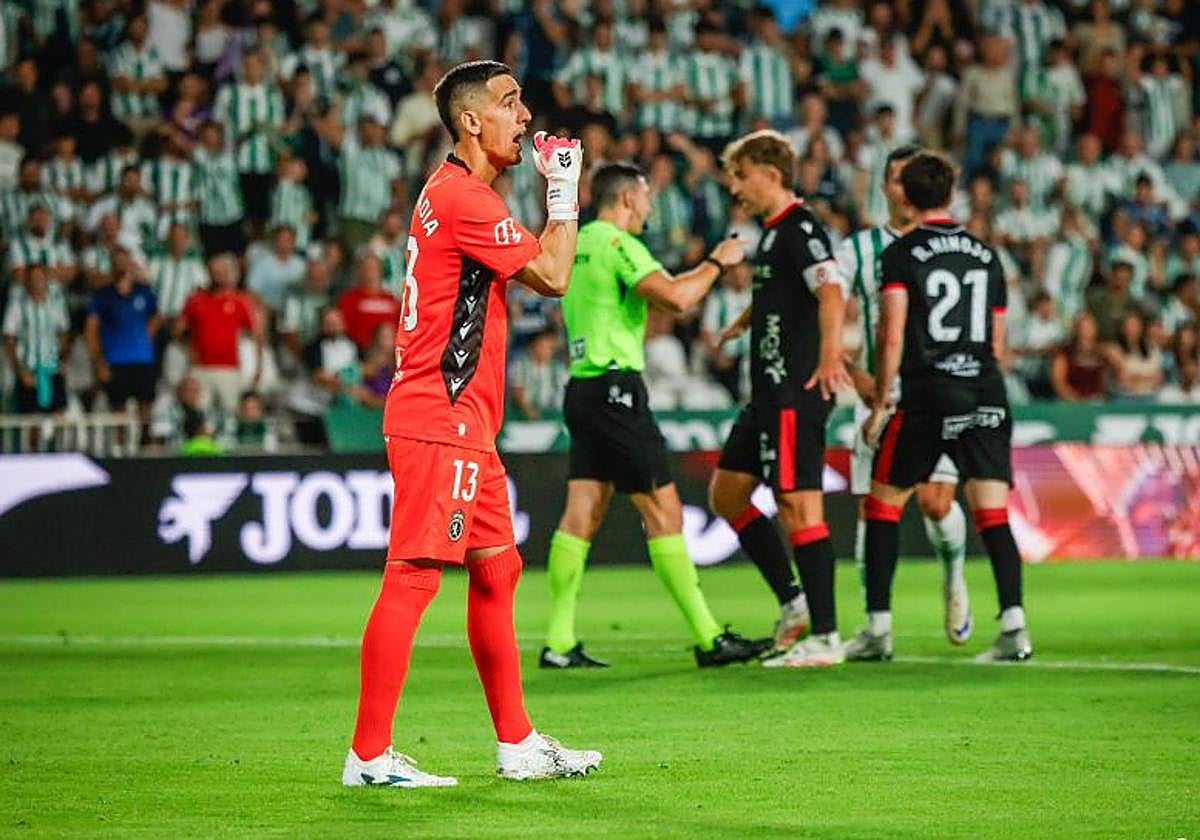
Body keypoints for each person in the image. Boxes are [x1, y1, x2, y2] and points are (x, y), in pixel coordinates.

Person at [344, 60, 600, 790]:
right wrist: (563, 190)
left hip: (464, 422)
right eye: (510, 103)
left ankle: (517, 742)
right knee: (415, 576)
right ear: (471, 122)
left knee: (498, 567)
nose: (525, 116)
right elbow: (554, 275)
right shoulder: (467, 200)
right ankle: (367, 756)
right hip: (442, 414)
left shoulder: (448, 193)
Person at [539, 162, 769, 670]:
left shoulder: (573, 241)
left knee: (583, 513)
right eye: (645, 196)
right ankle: (709, 638)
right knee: (663, 513)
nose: (649, 206)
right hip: (617, 388)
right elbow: (679, 298)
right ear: (625, 198)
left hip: (582, 386)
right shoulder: (618, 244)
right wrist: (718, 260)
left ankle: (558, 642)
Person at [857, 152, 1032, 664]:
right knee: (993, 512)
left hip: (929, 393)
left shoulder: (902, 254)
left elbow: (892, 333)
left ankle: (878, 630)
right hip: (984, 388)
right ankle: (1014, 628)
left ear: (905, 196)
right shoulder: (986, 254)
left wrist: (881, 401)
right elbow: (997, 341)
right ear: (951, 193)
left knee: (883, 503)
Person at [707, 130, 852, 668]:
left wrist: (832, 353)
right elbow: (778, 295)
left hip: (794, 390)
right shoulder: (770, 235)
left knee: (798, 504)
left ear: (770, 173)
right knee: (727, 493)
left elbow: (831, 289)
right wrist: (742, 323)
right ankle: (794, 606)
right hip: (765, 393)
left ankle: (826, 635)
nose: (735, 188)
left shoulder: (800, 227)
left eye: (741, 176)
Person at [834, 144, 973, 655]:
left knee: (937, 503)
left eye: (906, 178)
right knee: (876, 511)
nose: (899, 187)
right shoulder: (861, 249)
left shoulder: (951, 246)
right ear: (887, 187)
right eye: (893, 178)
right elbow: (825, 312)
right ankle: (878, 628)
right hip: (881, 399)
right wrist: (851, 370)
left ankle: (954, 576)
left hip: (936, 395)